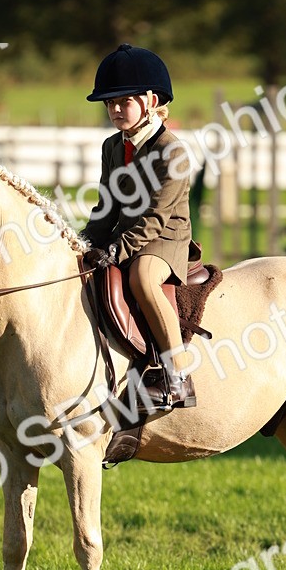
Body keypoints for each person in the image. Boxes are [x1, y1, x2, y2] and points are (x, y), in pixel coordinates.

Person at [82, 43, 196, 410]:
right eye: (109, 104)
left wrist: (119, 249)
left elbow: (157, 216)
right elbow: (107, 206)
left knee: (142, 277)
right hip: (128, 237)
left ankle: (177, 375)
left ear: (149, 101)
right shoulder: (112, 147)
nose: (115, 110)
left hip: (165, 240)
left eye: (124, 101)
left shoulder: (172, 151)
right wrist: (85, 240)